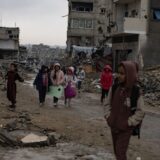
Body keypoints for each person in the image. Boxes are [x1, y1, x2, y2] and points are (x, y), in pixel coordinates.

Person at [104, 61, 145, 160]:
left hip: (125, 129)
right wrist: (108, 117)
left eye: (122, 74)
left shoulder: (135, 92)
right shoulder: (114, 88)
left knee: (120, 152)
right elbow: (107, 104)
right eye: (118, 73)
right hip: (113, 125)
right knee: (117, 152)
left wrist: (128, 122)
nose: (119, 75)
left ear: (130, 74)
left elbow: (141, 112)